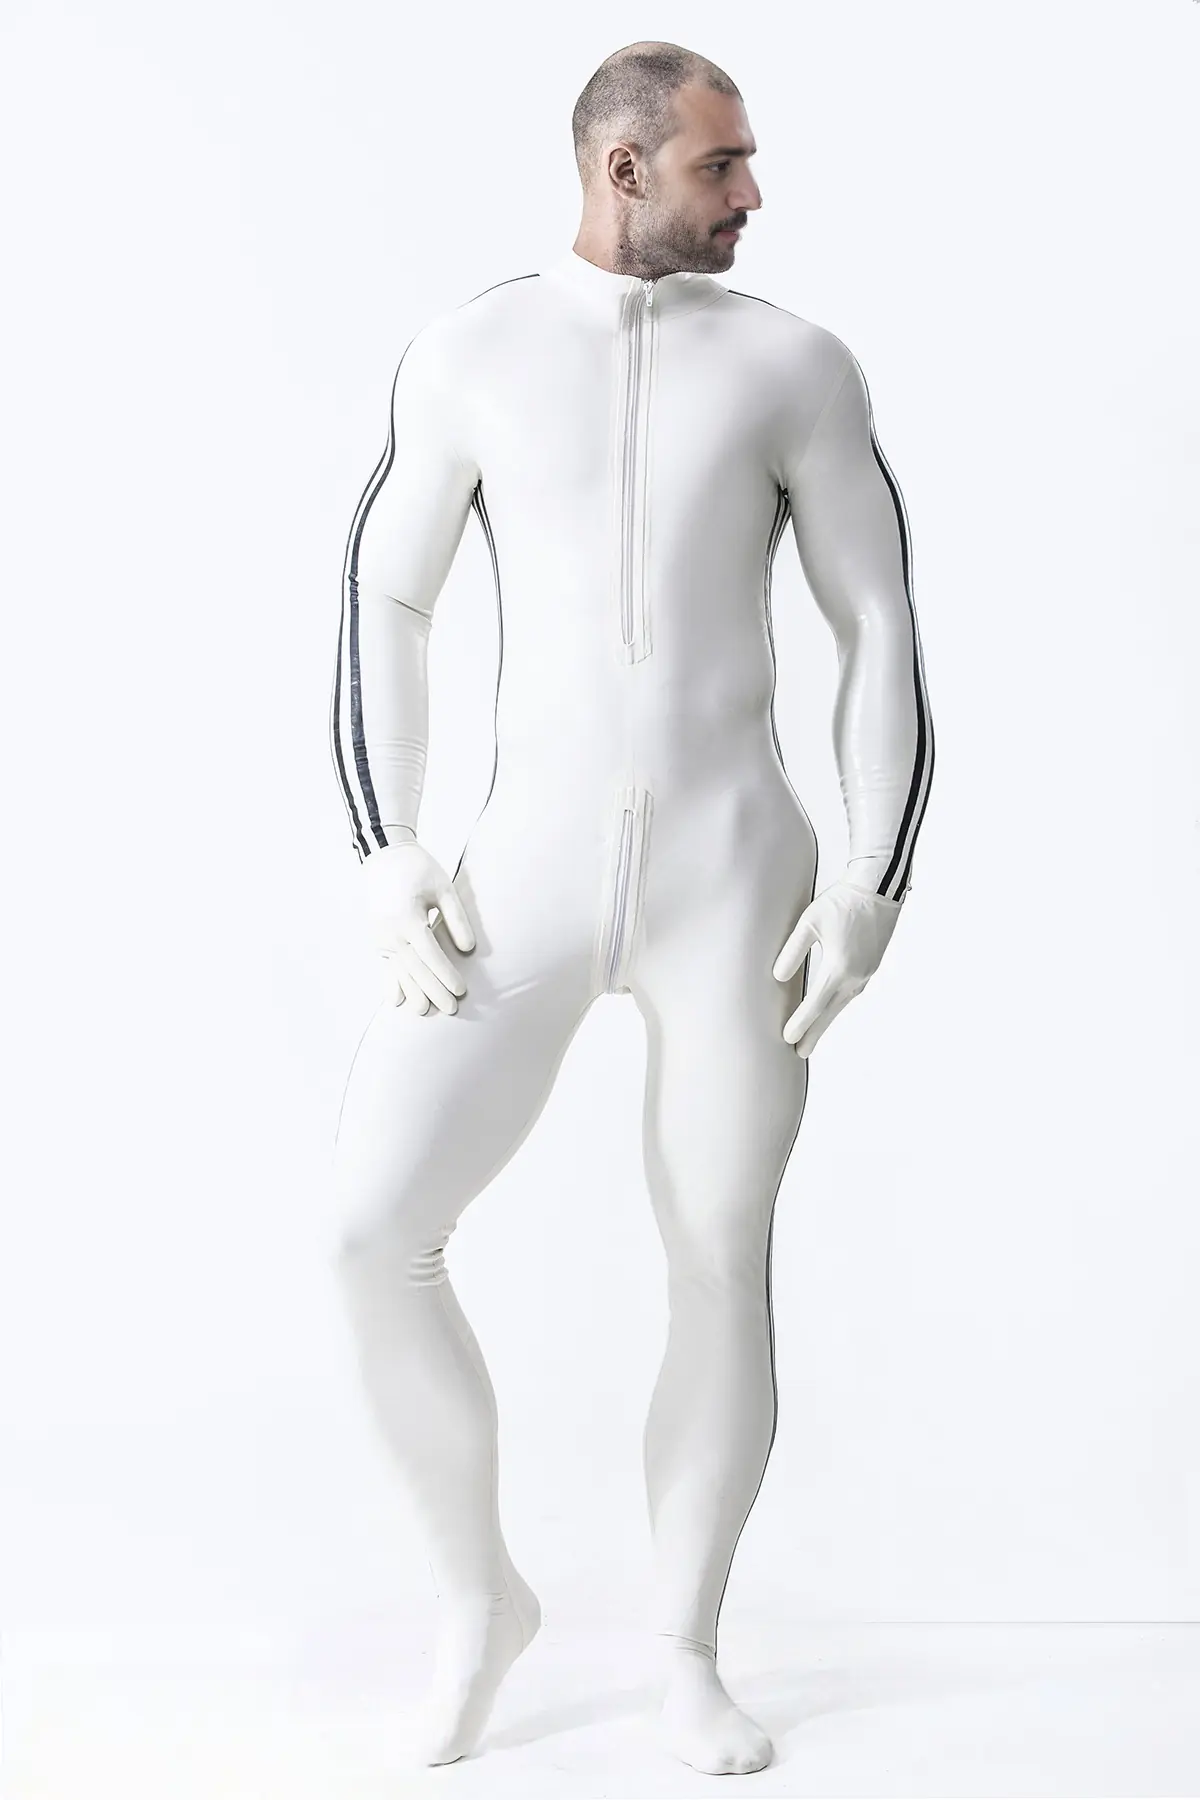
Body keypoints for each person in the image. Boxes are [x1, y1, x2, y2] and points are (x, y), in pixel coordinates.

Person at [327, 39, 934, 1776]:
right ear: (624, 168)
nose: (754, 195)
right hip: (519, 874)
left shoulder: (797, 365)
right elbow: (383, 598)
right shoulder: (471, 354)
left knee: (719, 1259)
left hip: (734, 882)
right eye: (722, 166)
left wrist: (873, 877)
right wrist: (388, 846)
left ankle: (684, 1648)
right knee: (371, 1233)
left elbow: (881, 626)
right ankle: (479, 1604)